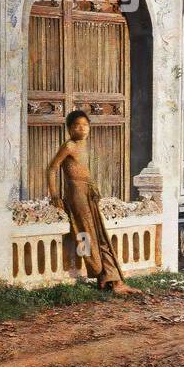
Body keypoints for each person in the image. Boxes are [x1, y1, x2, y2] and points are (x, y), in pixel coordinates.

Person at [47, 110, 137, 294]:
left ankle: (111, 279)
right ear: (70, 129)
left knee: (99, 234)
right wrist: (55, 195)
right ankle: (99, 273)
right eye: (77, 125)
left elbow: (83, 170)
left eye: (85, 125)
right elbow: (52, 168)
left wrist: (93, 188)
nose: (82, 128)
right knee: (84, 233)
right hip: (76, 194)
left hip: (88, 192)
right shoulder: (69, 145)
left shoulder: (84, 146)